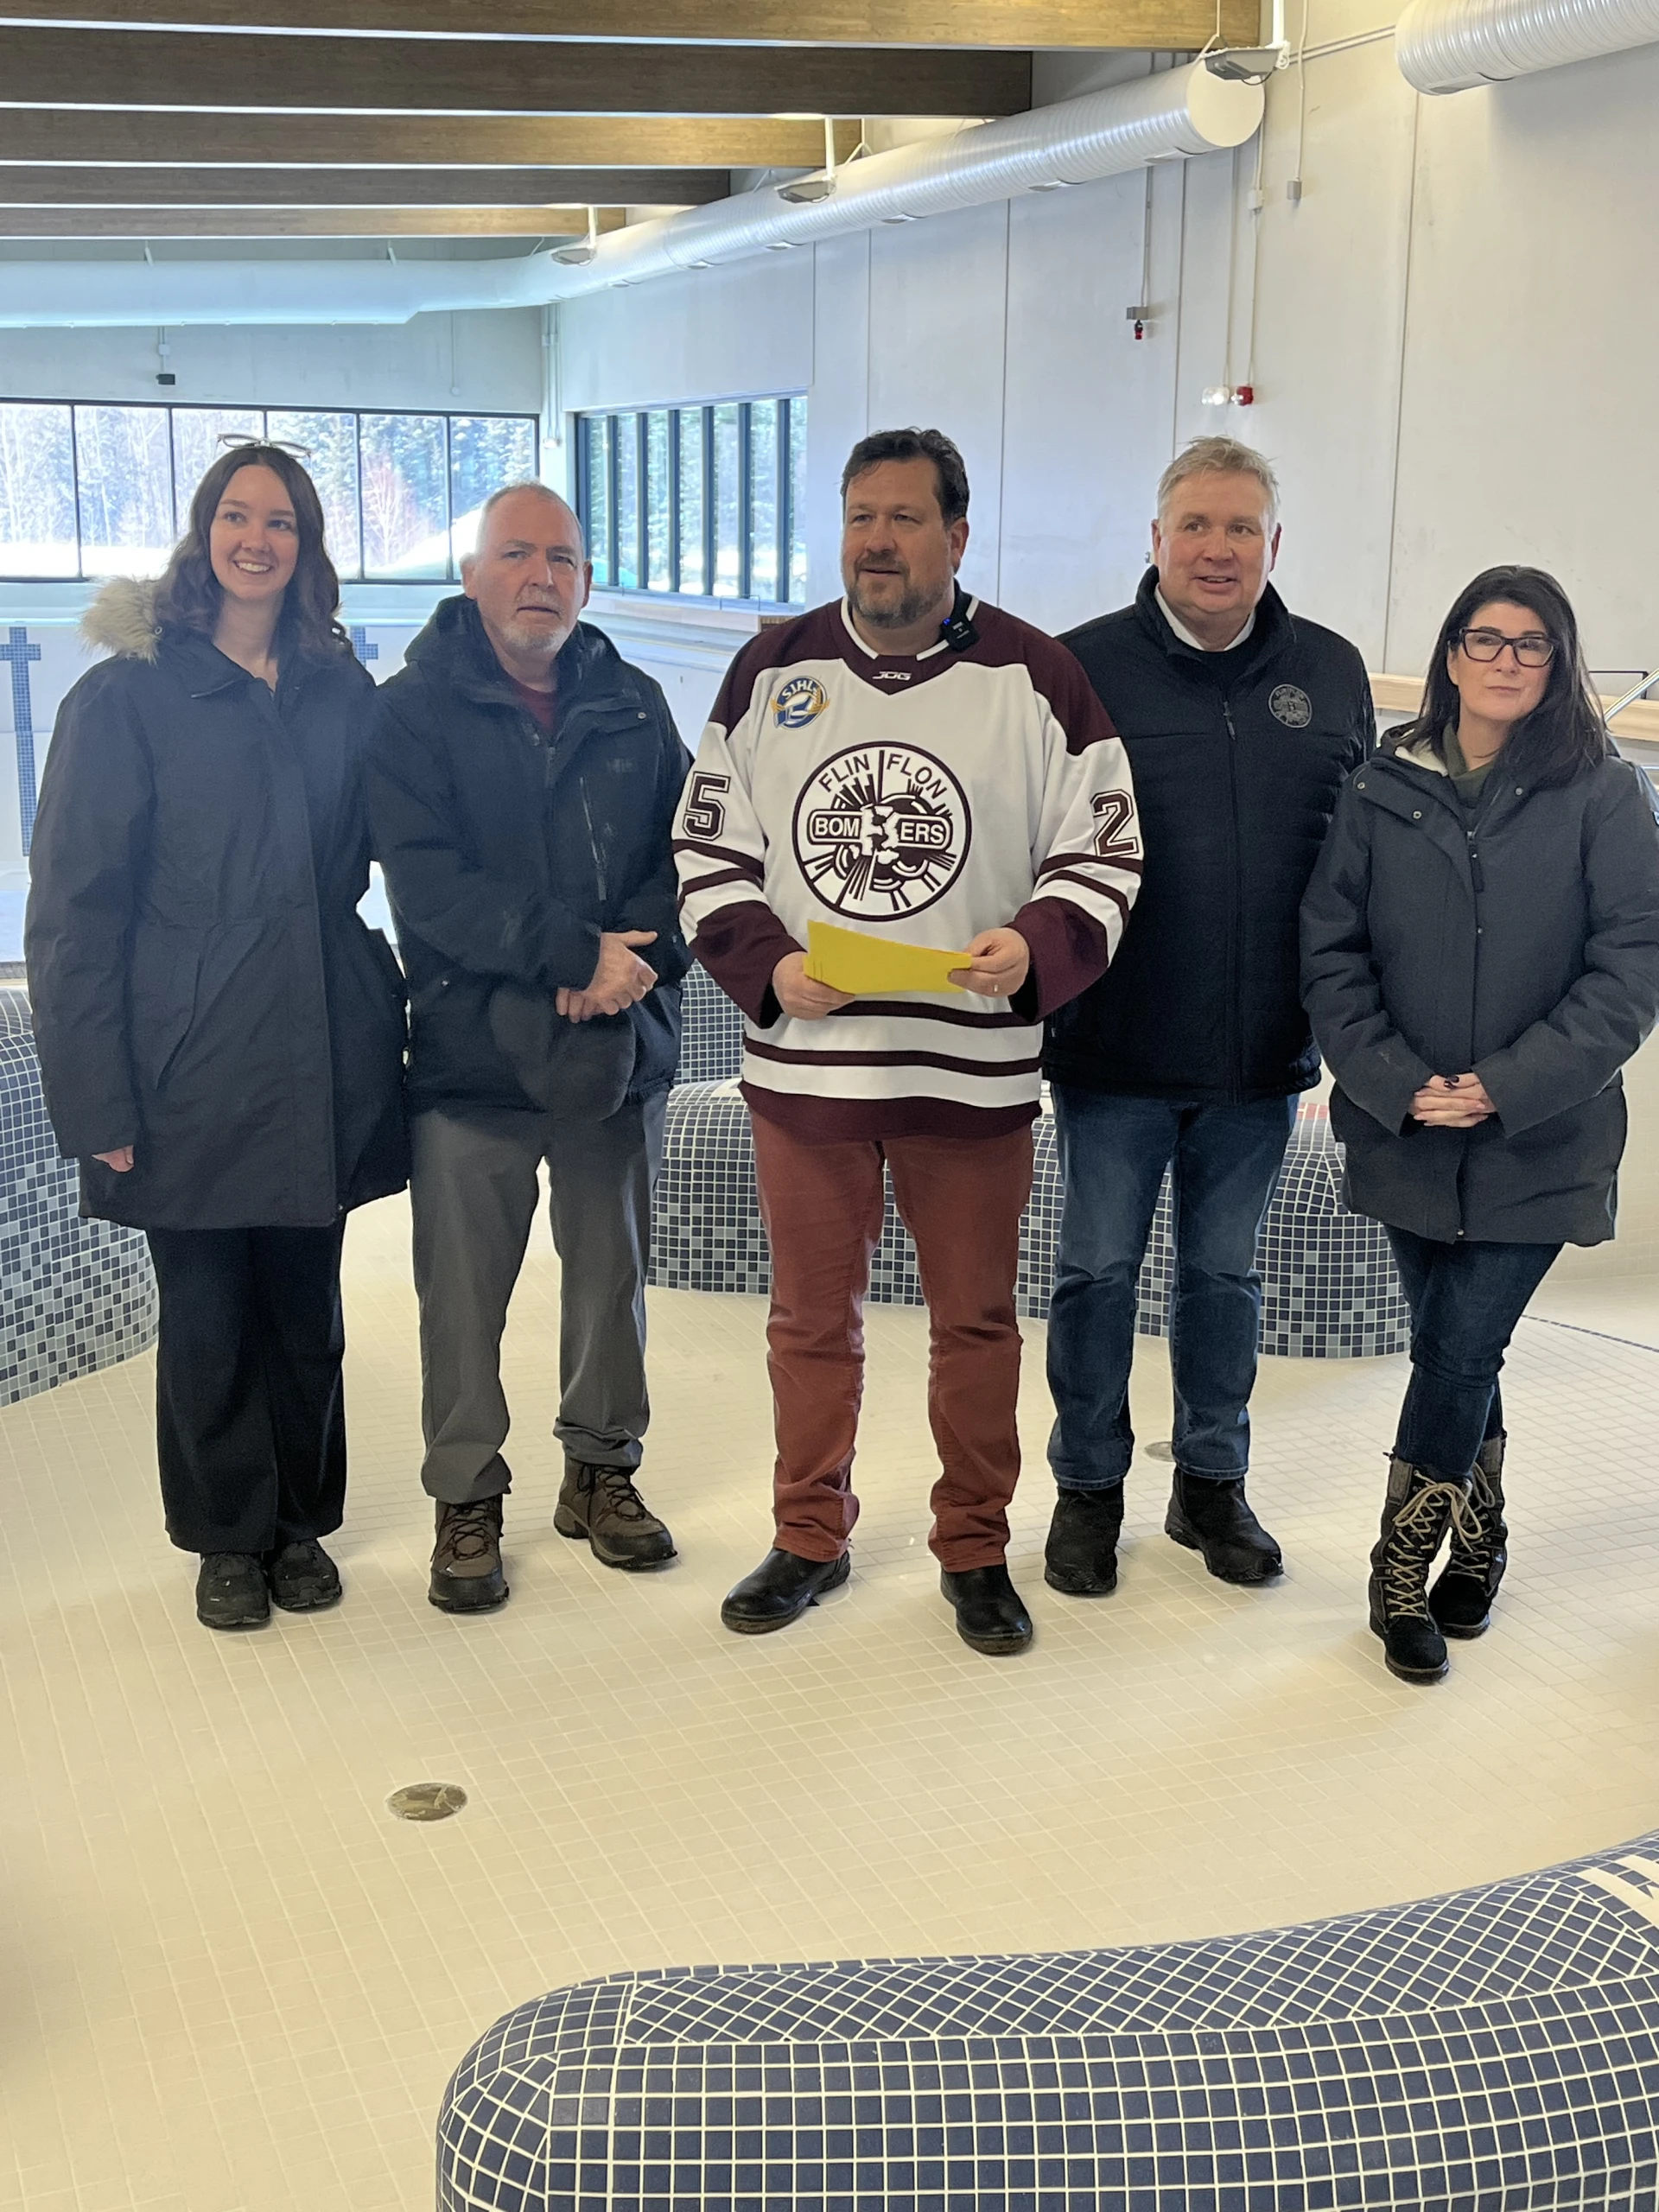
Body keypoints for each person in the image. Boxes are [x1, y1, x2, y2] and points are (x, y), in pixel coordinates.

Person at [677, 427, 1140, 1656]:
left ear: (957, 535)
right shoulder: (771, 670)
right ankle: (807, 1535)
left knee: (975, 1327)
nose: (876, 541)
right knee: (807, 1325)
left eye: (904, 518)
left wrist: (1034, 947)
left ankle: (975, 1547)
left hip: (970, 1073)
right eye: (859, 516)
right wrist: (770, 966)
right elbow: (707, 848)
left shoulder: (1037, 677)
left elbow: (1104, 849)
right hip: (809, 1072)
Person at [26, 443, 409, 1631]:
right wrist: (97, 1100)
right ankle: (226, 1538)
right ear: (203, 534)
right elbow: (74, 914)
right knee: (205, 1315)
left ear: (307, 545)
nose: (257, 540)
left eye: (281, 521)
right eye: (236, 517)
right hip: (183, 1051)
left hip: (319, 1040)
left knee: (305, 1306)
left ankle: (300, 1524)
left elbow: (412, 841)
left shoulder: (341, 688)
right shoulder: (127, 696)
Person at [1303, 565, 1659, 1683]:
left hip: (1538, 1134)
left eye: (1531, 644)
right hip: (1405, 1127)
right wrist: (1396, 1079)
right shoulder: (1381, 786)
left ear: (1559, 663)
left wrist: (1504, 1084)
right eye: (1485, 639)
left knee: (1460, 1347)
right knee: (1457, 1350)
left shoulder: (1604, 792)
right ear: (1452, 653)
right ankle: (1484, 1532)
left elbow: (1630, 967)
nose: (1506, 661)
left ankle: (1398, 1570)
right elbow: (1331, 950)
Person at [1041, 436, 1373, 1598]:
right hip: (1114, 1050)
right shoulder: (1080, 668)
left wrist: (1356, 1027)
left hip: (1258, 1056)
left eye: (1241, 528)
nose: (1218, 549)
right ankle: (1089, 1490)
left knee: (1225, 1281)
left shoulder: (1330, 672)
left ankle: (1211, 1487)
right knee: (1095, 1274)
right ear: (1157, 539)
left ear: (1274, 545)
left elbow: (1361, 866)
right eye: (1197, 525)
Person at [365, 482, 690, 1615]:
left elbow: (691, 854)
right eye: (515, 553)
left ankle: (601, 1473)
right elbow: (427, 885)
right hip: (473, 1059)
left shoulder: (636, 704)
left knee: (611, 1280)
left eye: (560, 558)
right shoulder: (411, 713)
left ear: (585, 581)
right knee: (461, 1299)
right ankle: (466, 1496)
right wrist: (571, 954)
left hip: (615, 1052)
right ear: (472, 576)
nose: (539, 576)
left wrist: (633, 963)